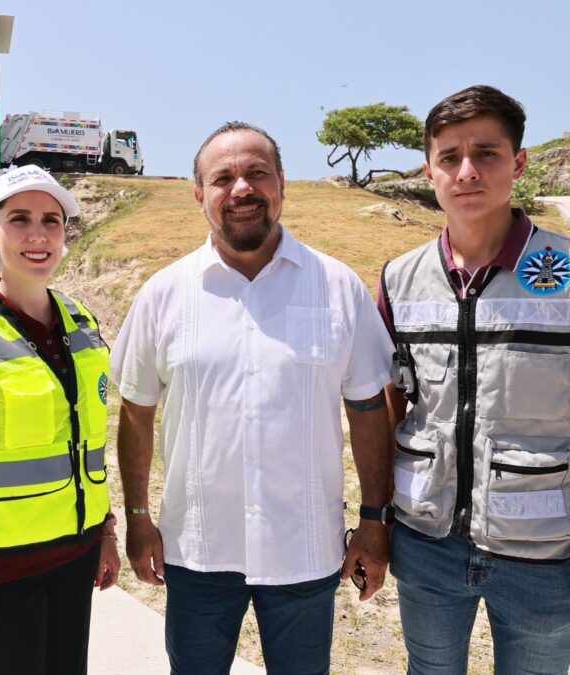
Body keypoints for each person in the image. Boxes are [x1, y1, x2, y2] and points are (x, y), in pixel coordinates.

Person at [379, 85, 570, 674]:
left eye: (487, 153)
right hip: (425, 546)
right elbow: (389, 411)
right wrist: (376, 526)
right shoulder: (398, 280)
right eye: (450, 157)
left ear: (518, 163)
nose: (467, 171)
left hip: (543, 555)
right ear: (429, 171)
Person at [111, 122, 396, 675]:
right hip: (196, 551)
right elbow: (137, 410)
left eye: (257, 174)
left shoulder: (336, 286)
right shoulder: (164, 294)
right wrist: (141, 516)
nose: (241, 189)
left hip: (305, 551)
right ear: (200, 196)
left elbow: (367, 409)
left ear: (282, 185)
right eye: (223, 178)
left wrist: (375, 520)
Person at [0, 165, 120, 675]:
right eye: (20, 219)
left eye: (51, 221)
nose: (38, 235)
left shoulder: (81, 321)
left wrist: (106, 534)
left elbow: (88, 439)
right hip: (3, 573)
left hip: (75, 558)